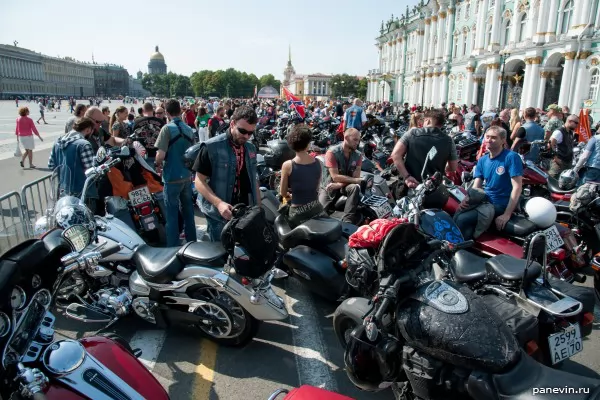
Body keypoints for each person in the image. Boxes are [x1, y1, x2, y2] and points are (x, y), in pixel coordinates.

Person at [194, 105, 261, 242]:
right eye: (242, 131)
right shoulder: (211, 147)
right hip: (218, 215)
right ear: (232, 124)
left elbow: (254, 180)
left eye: (250, 133)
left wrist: (258, 209)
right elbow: (198, 181)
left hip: (244, 212)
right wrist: (219, 204)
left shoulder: (250, 148)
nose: (246, 136)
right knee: (221, 255)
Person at [456, 126, 523, 238]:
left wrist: (507, 214)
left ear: (503, 140)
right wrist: (467, 200)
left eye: (494, 137)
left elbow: (517, 187)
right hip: (485, 201)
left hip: (501, 204)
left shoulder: (511, 157)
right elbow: (476, 186)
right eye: (487, 137)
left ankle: (464, 250)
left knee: (463, 219)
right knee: (457, 212)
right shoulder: (482, 160)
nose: (489, 140)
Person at [154, 99, 197, 247]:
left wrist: (156, 165)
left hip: (171, 177)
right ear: (180, 111)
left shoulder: (167, 129)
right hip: (186, 176)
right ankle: (192, 243)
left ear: (166, 112)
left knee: (171, 215)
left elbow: (160, 155)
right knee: (188, 212)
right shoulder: (189, 129)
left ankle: (172, 247)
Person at [391, 109, 458, 189]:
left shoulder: (411, 133)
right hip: (435, 188)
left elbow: (395, 155)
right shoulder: (449, 141)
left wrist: (407, 176)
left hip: (411, 185)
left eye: (424, 120)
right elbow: (453, 167)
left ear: (428, 120)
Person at [279, 124, 324, 227]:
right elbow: (316, 187)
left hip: (297, 213)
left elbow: (283, 192)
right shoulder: (318, 162)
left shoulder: (287, 165)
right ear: (308, 144)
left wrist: (289, 196)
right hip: (316, 209)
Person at [318, 128, 364, 224]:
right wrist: (354, 180)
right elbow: (335, 177)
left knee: (355, 188)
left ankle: (348, 221)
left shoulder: (358, 155)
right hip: (329, 187)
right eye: (355, 140)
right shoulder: (332, 153)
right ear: (346, 138)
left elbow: (356, 178)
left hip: (343, 185)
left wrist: (340, 185)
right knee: (318, 215)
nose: (357, 143)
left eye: (359, 140)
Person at [47, 117, 95, 203]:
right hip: (81, 190)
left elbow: (51, 165)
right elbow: (91, 170)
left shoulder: (57, 142)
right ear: (88, 130)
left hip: (63, 189)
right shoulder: (84, 144)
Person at [549, 114, 579, 179]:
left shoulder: (570, 132)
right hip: (559, 162)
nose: (577, 125)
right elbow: (550, 144)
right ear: (570, 121)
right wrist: (555, 158)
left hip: (567, 161)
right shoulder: (559, 132)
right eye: (576, 123)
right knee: (553, 179)